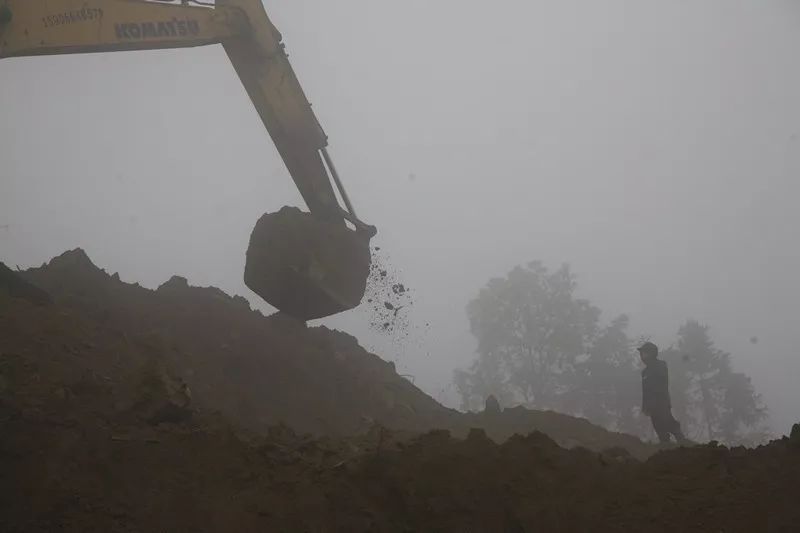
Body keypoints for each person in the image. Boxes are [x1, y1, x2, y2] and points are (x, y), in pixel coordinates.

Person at [638, 342, 687, 444]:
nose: (642, 356)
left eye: (644, 353)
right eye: (641, 353)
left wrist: (659, 401)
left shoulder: (660, 365)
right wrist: (645, 406)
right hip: (651, 405)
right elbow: (645, 391)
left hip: (661, 402)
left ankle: (683, 442)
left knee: (669, 423)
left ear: (651, 353)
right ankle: (666, 445)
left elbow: (662, 384)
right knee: (658, 426)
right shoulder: (644, 372)